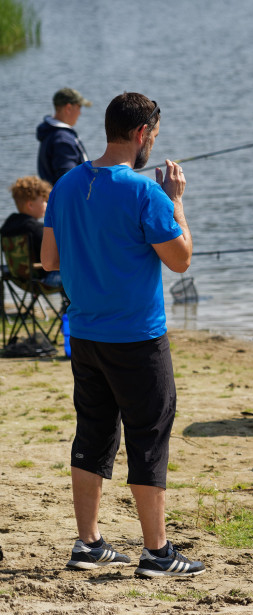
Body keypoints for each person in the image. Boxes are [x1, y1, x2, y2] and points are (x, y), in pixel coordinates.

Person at [41, 92, 204, 577]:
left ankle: (88, 543)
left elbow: (49, 261)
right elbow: (181, 259)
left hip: (85, 333)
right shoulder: (146, 194)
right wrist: (177, 202)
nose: (153, 141)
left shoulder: (67, 185)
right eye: (153, 134)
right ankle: (157, 552)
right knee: (148, 437)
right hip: (136, 337)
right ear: (140, 134)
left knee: (92, 433)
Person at [1, 176, 62, 288]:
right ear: (30, 205)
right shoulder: (35, 228)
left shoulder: (7, 225)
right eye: (44, 201)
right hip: (41, 280)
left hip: (17, 278)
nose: (47, 205)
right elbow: (55, 254)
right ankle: (69, 303)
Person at [36, 88, 92, 185]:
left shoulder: (50, 132)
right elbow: (68, 181)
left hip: (53, 196)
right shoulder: (63, 140)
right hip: (67, 199)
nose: (80, 113)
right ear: (68, 108)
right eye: (79, 107)